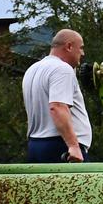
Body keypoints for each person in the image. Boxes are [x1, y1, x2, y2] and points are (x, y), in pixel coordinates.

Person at [23, 28, 91, 162]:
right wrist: (73, 145)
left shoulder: (33, 69)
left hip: (36, 144)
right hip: (61, 146)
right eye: (81, 48)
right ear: (69, 46)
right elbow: (57, 107)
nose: (82, 53)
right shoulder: (62, 69)